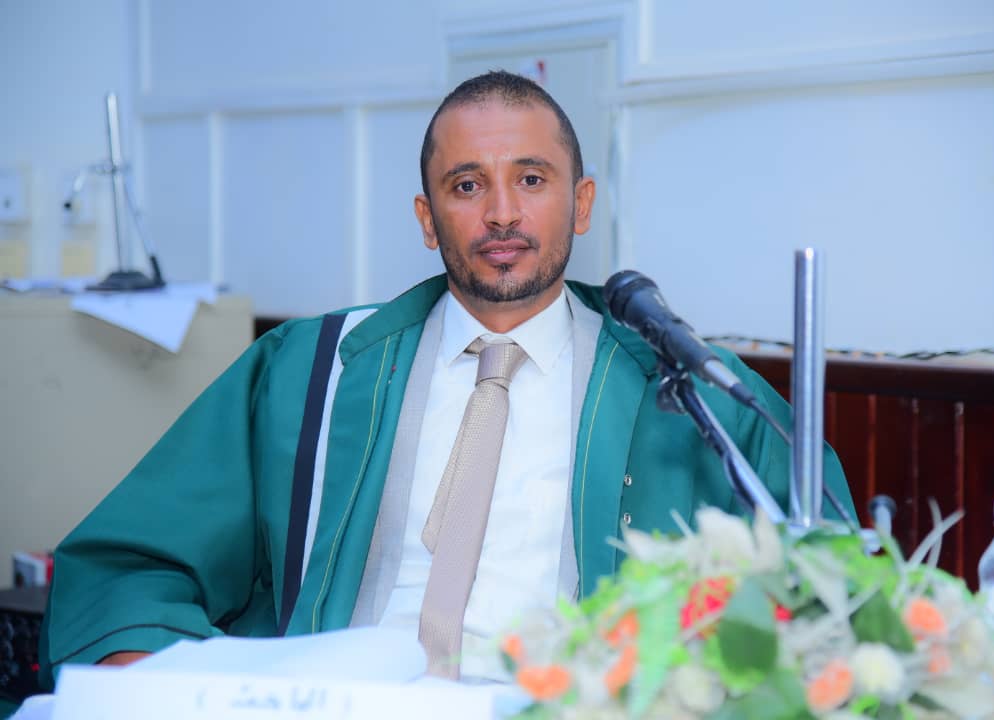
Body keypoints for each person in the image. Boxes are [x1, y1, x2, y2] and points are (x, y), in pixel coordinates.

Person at [39, 71, 853, 685]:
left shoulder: (691, 392)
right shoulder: (310, 370)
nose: (501, 213)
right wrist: (154, 684)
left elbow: (833, 587)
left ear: (581, 203)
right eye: (467, 186)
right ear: (428, 219)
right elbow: (130, 565)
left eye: (531, 179)